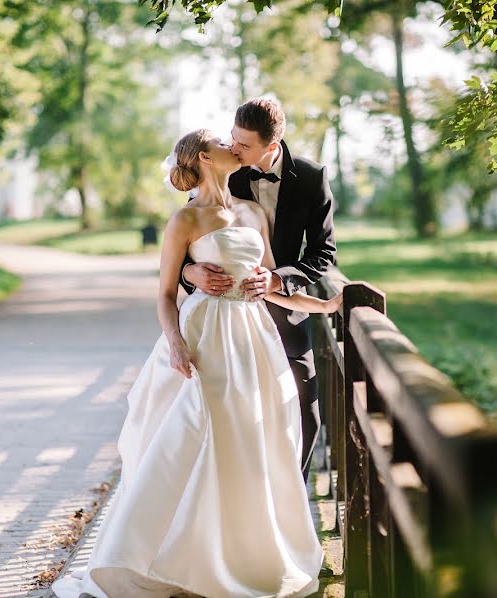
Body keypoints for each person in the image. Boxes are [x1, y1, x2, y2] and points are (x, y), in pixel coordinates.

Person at [50, 128, 341, 598]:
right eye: (225, 144)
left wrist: (325, 307)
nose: (234, 147)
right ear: (206, 157)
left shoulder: (250, 213)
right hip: (203, 337)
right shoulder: (184, 220)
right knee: (195, 434)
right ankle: (167, 557)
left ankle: (238, 555)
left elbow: (266, 283)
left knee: (247, 440)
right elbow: (165, 295)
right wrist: (175, 343)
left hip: (251, 341)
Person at [181, 99, 336, 483]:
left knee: (304, 407)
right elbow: (186, 249)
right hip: (221, 319)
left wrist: (280, 279)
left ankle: (290, 503)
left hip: (283, 308)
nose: (234, 149)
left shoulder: (312, 177)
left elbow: (323, 252)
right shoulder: (223, 170)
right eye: (233, 139)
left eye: (244, 145)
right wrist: (191, 273)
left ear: (272, 145)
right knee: (227, 409)